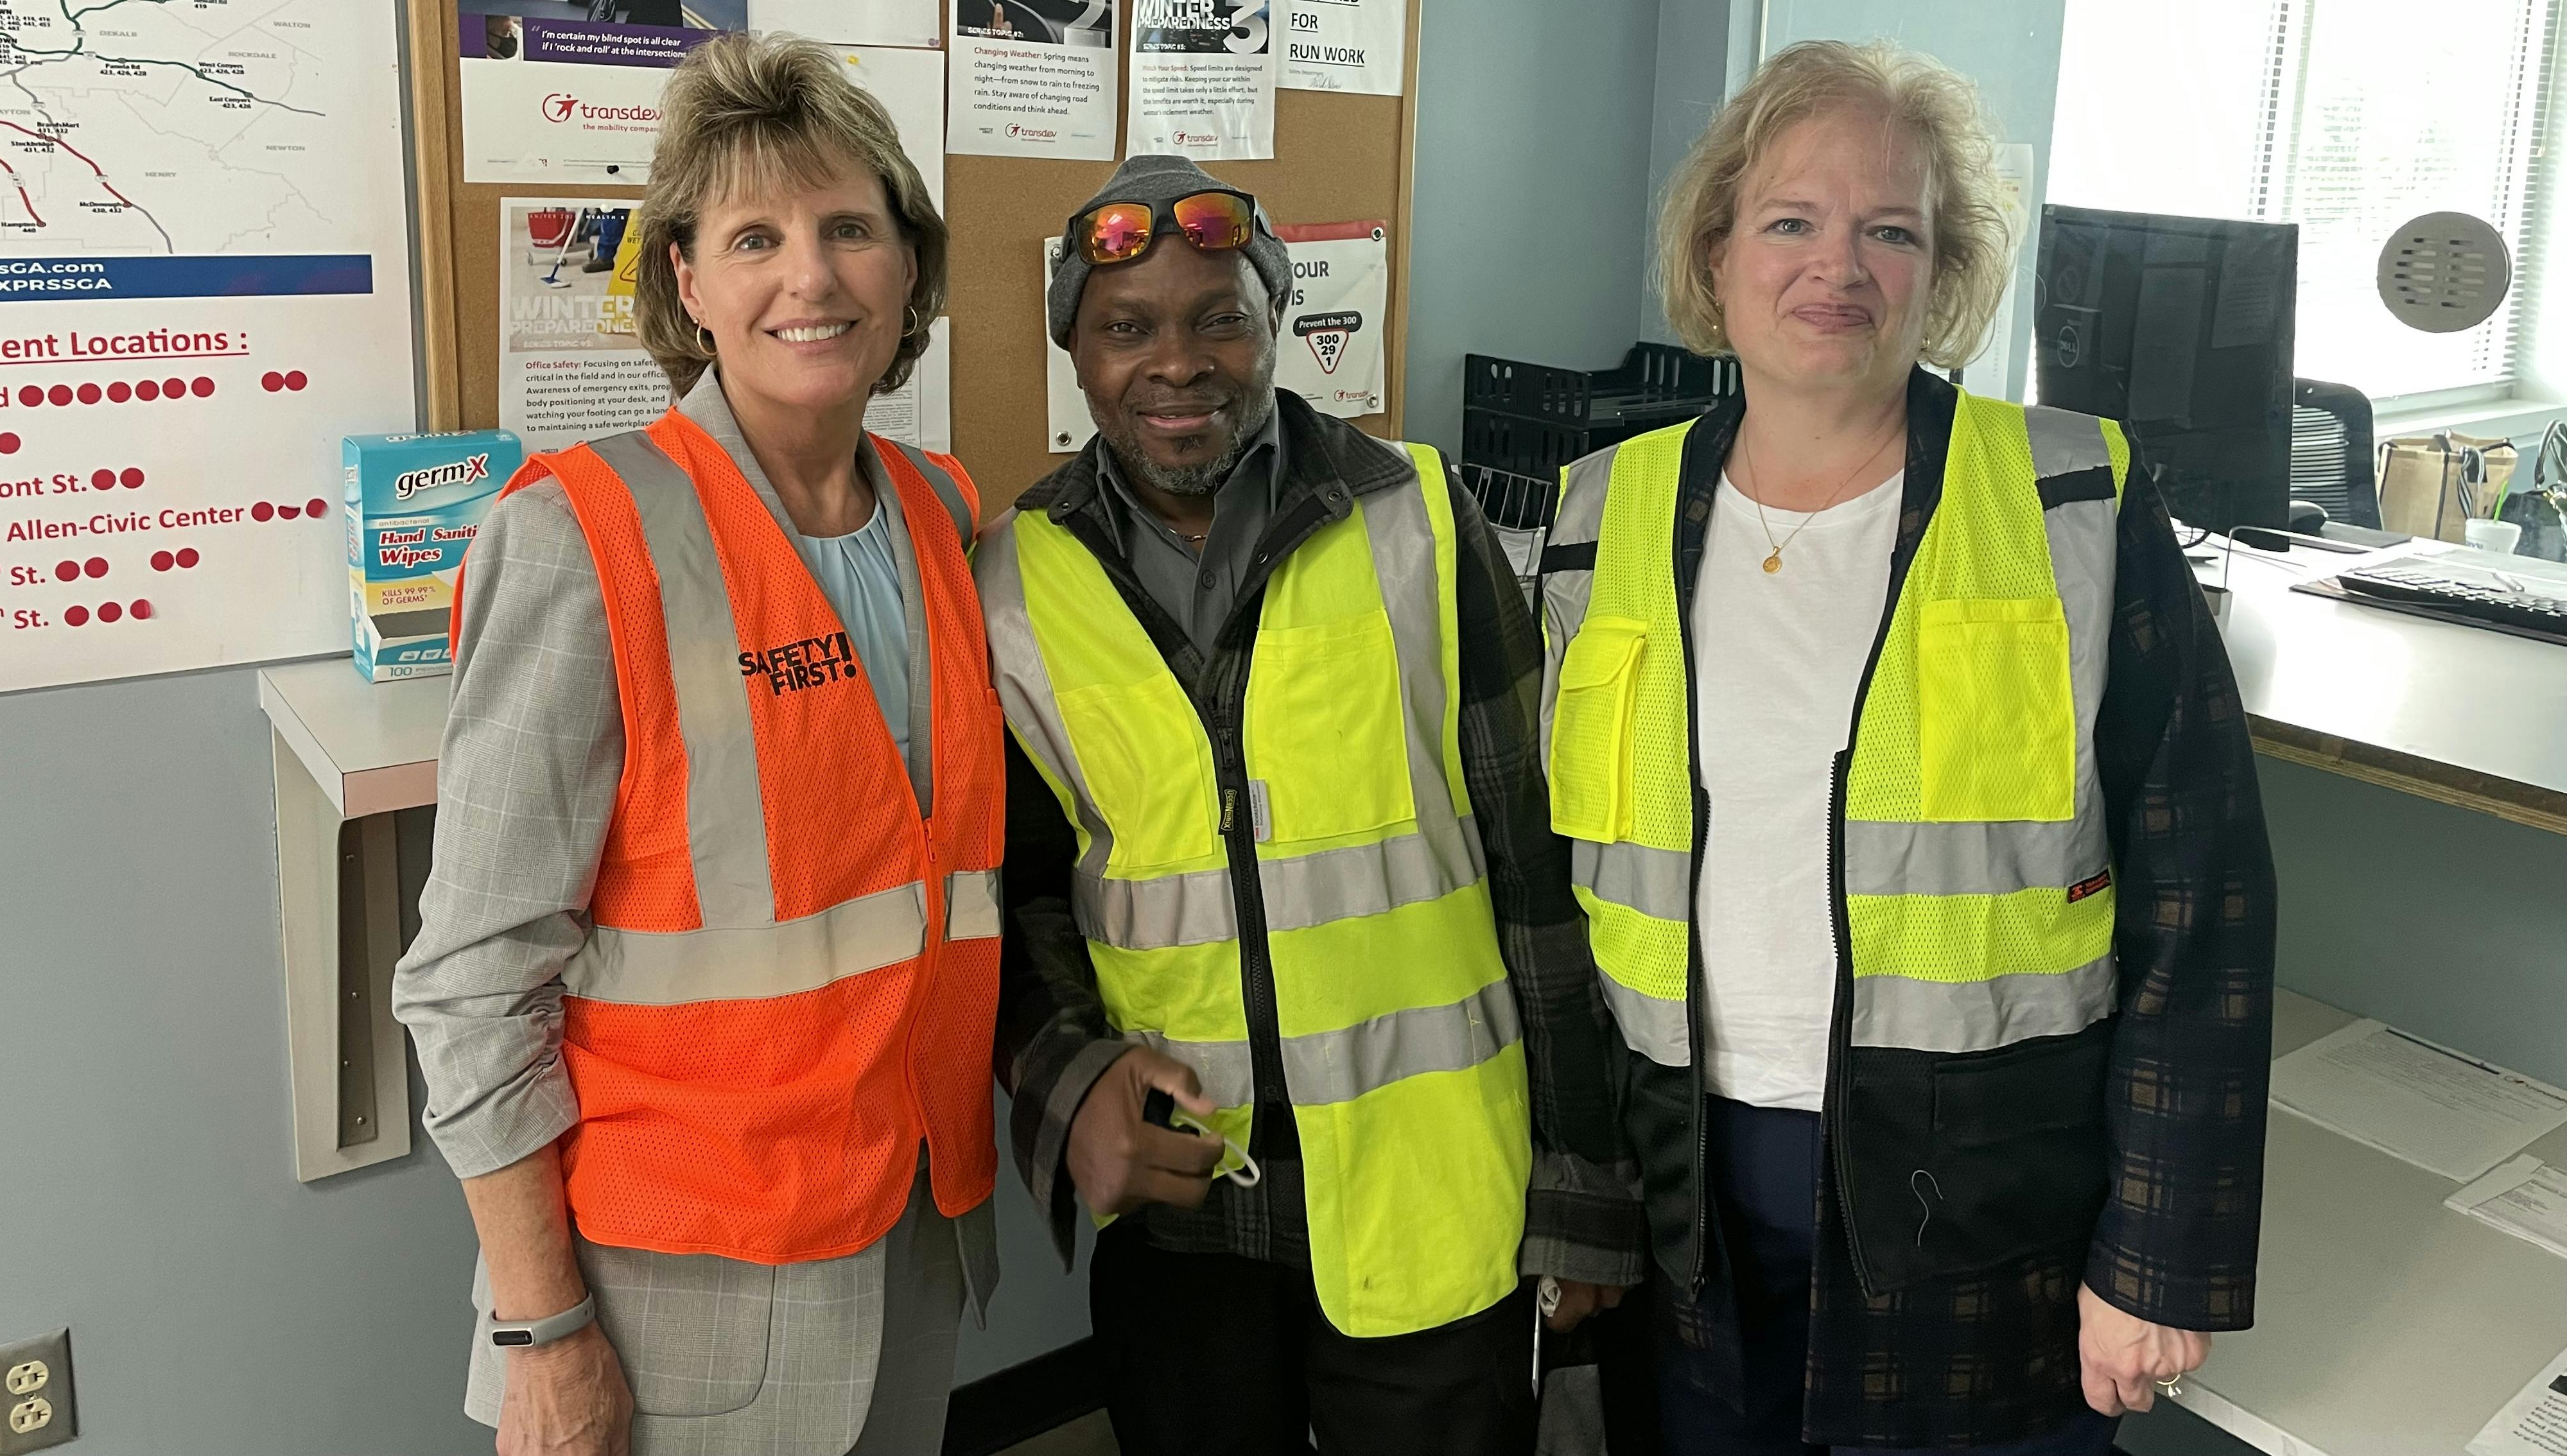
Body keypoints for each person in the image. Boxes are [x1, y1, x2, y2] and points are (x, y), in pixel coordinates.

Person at [1536, 39, 2277, 1454]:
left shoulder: (2076, 503)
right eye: (1793, 222)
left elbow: (2208, 908)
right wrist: (1577, 1194)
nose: (1841, 266)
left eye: (1892, 230)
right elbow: (1558, 907)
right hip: (1683, 1177)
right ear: (1718, 249)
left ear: (1942, 274)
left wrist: (2157, 1258)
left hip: (1987, 1194)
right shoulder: (1594, 519)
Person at [972, 154, 1643, 1456]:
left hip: (1435, 1193)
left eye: (1220, 314)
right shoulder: (1010, 580)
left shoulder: (1421, 526)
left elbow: (1539, 878)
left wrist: (1585, 1184)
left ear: (1278, 319)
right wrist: (1069, 1085)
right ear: (1076, 352)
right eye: (1127, 327)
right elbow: (1015, 897)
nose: (1178, 361)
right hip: (1188, 1209)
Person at [394, 33, 1003, 1456]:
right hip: (672, 1291)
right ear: (687, 281)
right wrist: (541, 1334)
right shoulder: (580, 539)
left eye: (851, 227)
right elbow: (473, 980)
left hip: (908, 1233)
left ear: (908, 265)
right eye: (754, 237)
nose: (811, 277)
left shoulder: (943, 513)